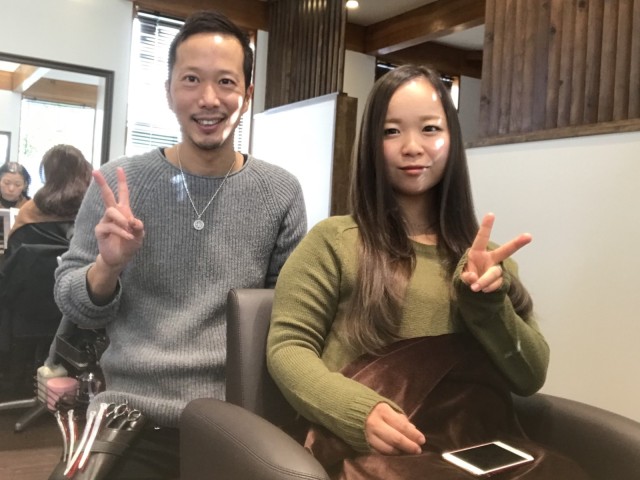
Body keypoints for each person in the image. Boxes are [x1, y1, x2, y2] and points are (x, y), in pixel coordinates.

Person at [267, 65, 588, 479]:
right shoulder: (333, 241)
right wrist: (358, 411)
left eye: (430, 129)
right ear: (371, 144)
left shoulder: (488, 260)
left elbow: (529, 377)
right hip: (370, 456)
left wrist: (487, 305)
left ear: (451, 140)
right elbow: (288, 347)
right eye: (391, 131)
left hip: (473, 452)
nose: (412, 147)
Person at [50, 10, 306, 479]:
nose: (209, 98)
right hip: (132, 417)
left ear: (247, 94)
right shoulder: (117, 183)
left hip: (238, 420)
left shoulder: (280, 191)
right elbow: (74, 305)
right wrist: (108, 267)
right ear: (168, 90)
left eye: (226, 82)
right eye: (191, 79)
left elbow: (290, 320)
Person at [4, 144, 92, 258]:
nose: (11, 189)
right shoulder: (92, 208)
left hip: (29, 268)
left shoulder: (29, 209)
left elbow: (12, 254)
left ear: (46, 172)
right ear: (83, 171)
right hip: (79, 268)